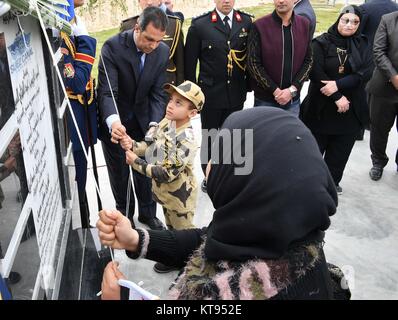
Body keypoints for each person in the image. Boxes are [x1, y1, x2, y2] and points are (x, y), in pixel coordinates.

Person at [97, 107, 341, 300]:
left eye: (221, 154)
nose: (210, 163)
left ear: (253, 182)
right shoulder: (280, 233)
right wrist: (136, 240)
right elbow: (208, 239)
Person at [97, 6, 169, 230]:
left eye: (158, 40)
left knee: (146, 172)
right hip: (116, 123)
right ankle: (125, 217)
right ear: (137, 28)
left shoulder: (162, 51)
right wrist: (114, 123)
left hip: (146, 122)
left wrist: (154, 125)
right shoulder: (112, 47)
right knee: (120, 175)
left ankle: (148, 214)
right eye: (149, 39)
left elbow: (158, 94)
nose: (153, 46)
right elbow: (108, 92)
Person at [120, 80, 204, 273]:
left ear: (192, 113)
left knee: (184, 236)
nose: (170, 105)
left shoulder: (186, 139)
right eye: (172, 100)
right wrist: (132, 145)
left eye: (179, 103)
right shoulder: (168, 122)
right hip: (166, 195)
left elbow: (167, 173)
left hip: (180, 199)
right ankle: (175, 259)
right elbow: (152, 148)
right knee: (170, 229)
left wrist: (135, 162)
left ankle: (188, 270)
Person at [300, 5, 373, 194]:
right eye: (345, 20)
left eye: (355, 22)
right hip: (321, 109)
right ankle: (310, 186)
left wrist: (339, 86)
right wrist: (337, 96)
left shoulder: (363, 44)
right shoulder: (321, 43)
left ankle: (331, 183)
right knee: (314, 153)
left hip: (350, 110)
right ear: (338, 19)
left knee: (339, 153)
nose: (349, 25)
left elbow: (365, 72)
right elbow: (316, 73)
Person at [184, 0, 253, 191]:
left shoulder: (246, 22)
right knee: (211, 138)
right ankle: (210, 178)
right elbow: (190, 66)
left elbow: (250, 57)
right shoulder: (200, 26)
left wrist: (248, 86)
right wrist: (193, 98)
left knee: (235, 135)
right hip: (210, 96)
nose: (226, 1)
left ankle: (233, 177)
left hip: (236, 94)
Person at [60, 0, 97, 228]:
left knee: (82, 172)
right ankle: (82, 224)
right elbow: (78, 81)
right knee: (78, 173)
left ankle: (85, 221)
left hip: (81, 112)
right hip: (72, 116)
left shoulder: (73, 23)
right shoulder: (64, 32)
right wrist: (84, 42)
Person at [247, 0, 312, 116]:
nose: (281, 1)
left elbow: (308, 60)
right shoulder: (259, 26)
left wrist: (292, 90)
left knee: (290, 134)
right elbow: (253, 63)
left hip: (293, 102)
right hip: (265, 101)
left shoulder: (305, 25)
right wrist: (275, 91)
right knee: (264, 134)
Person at [120, 0, 184, 85]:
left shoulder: (174, 24)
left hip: (166, 86)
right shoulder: (127, 26)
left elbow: (180, 63)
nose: (149, 2)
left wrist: (179, 92)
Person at [367, 11, 398, 181]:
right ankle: (378, 162)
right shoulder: (388, 19)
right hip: (385, 86)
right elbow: (378, 51)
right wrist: (394, 77)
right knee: (379, 127)